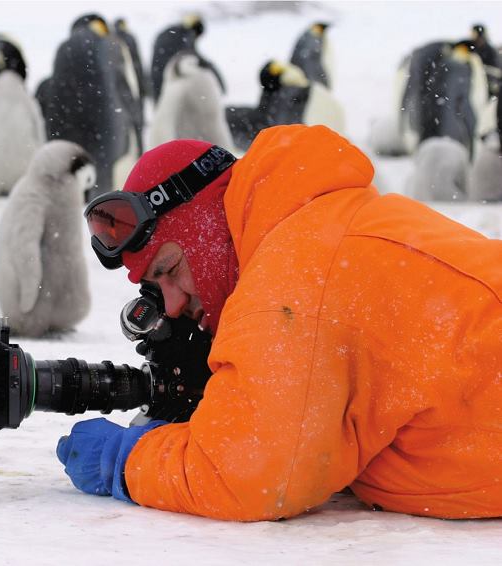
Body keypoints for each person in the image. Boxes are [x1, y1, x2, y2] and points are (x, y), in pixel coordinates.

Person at [56, 124, 502, 521]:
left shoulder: (292, 275)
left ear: (205, 220)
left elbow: (249, 475)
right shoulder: (321, 222)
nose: (171, 305)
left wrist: (127, 461)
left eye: (170, 269)